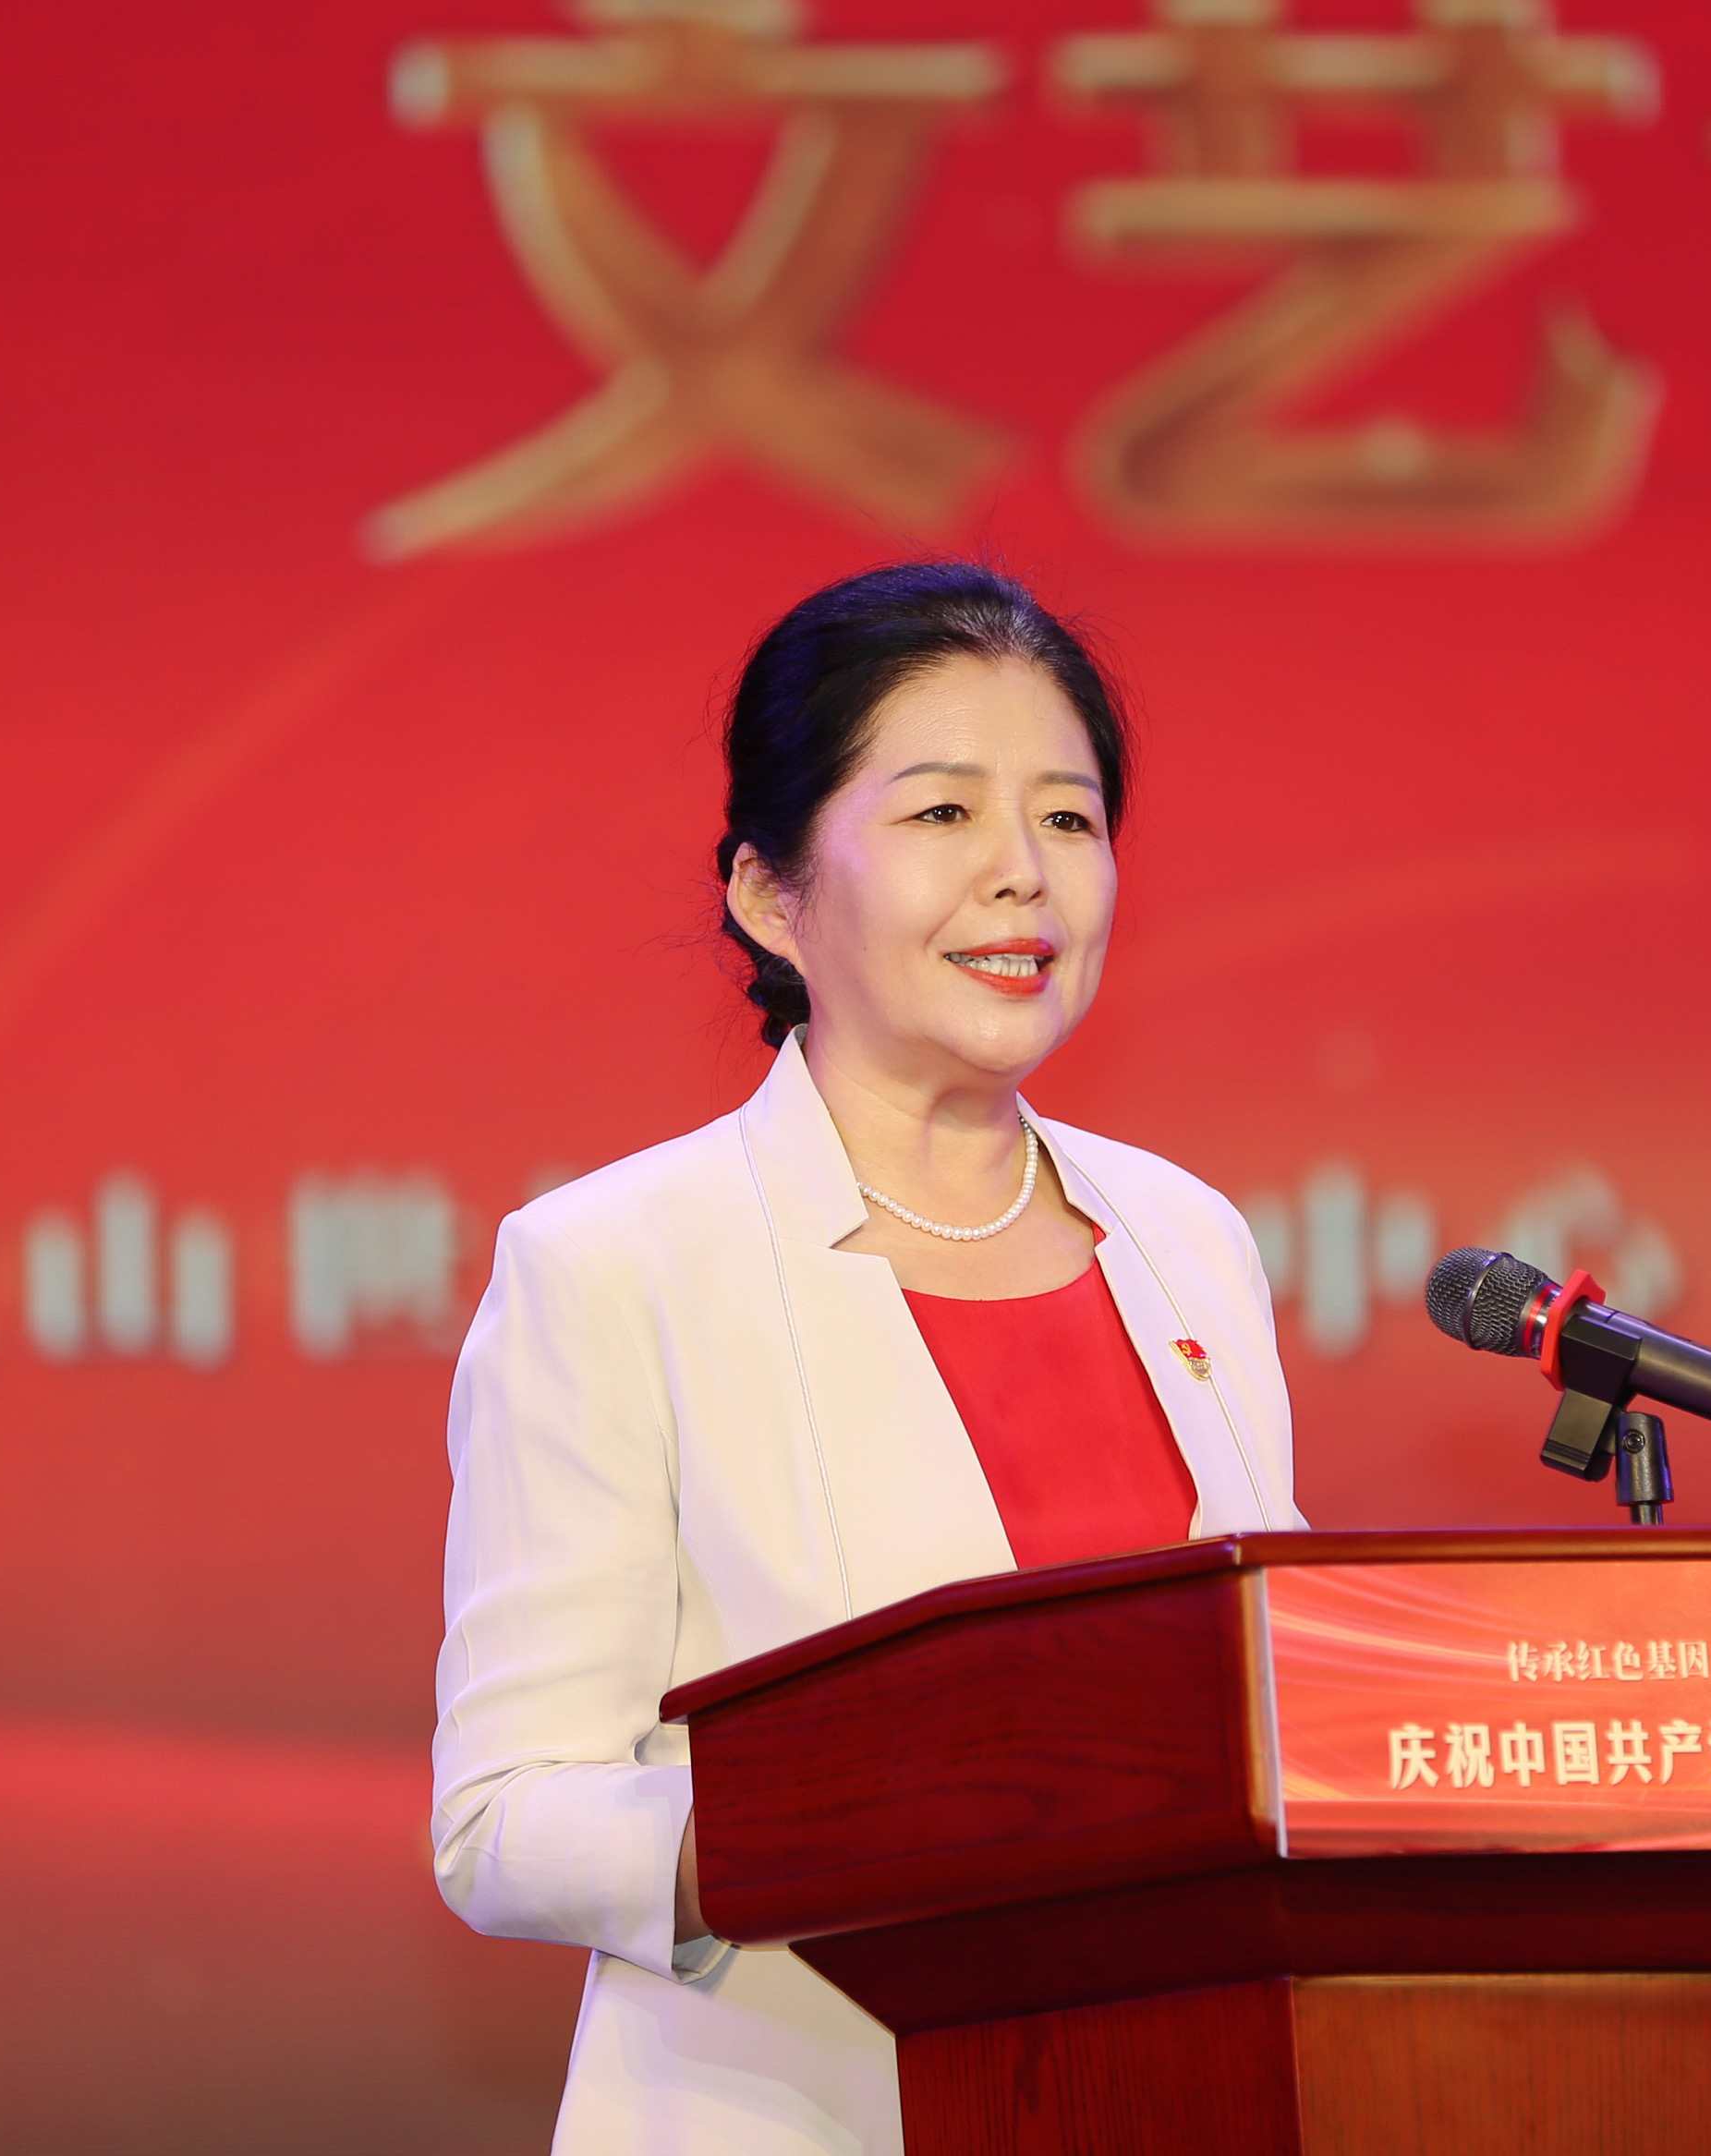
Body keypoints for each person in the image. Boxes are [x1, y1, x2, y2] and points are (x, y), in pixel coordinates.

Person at [430, 561, 1306, 2155]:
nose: (1021, 874)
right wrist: (841, 1827)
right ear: (772, 895)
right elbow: (504, 1815)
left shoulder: (1189, 1238)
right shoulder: (618, 1264)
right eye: (943, 813)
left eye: (1067, 817)